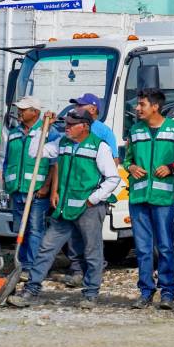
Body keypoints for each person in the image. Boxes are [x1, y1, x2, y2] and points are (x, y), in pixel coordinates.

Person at [8, 108, 121, 309]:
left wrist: (93, 199)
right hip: (64, 209)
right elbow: (35, 152)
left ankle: (91, 294)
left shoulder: (99, 147)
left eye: (71, 125)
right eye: (65, 124)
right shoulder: (62, 143)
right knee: (46, 248)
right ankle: (31, 290)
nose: (66, 128)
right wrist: (44, 128)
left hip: (89, 209)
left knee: (92, 251)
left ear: (84, 126)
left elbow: (113, 178)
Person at [124, 89, 174, 310]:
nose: (137, 108)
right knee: (142, 248)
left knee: (166, 247)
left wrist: (171, 168)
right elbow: (127, 159)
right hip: (138, 197)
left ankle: (168, 292)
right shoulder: (135, 130)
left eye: (141, 104)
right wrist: (130, 166)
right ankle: (146, 292)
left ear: (155, 106)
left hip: (163, 197)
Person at [62, 92, 119, 288]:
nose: (76, 108)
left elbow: (114, 163)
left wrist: (96, 195)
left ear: (93, 108)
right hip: (73, 196)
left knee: (91, 240)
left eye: (81, 105)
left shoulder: (103, 132)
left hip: (92, 197)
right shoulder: (70, 131)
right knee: (74, 236)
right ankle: (77, 270)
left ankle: (92, 280)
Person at [1, 98, 58, 276]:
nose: (20, 112)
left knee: (35, 228)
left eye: (24, 110)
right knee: (21, 229)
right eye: (19, 109)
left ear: (35, 112)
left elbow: (54, 164)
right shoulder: (14, 133)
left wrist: (46, 187)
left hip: (37, 191)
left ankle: (33, 266)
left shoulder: (49, 132)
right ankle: (22, 263)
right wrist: (7, 184)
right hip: (17, 190)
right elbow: (7, 161)